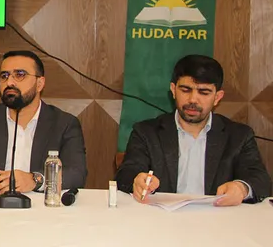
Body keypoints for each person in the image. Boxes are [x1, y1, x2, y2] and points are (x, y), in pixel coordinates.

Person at [116, 55, 271, 206]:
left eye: (204, 92)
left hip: (217, 218)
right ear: (173, 90)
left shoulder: (239, 136)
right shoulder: (146, 132)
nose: (193, 100)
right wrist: (137, 180)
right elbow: (126, 173)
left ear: (217, 97)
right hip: (162, 218)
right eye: (185, 90)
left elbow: (261, 180)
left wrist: (242, 188)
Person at [0, 50, 87, 193]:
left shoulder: (64, 124)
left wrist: (35, 180)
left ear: (39, 83)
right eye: (4, 76)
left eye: (19, 75)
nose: (9, 82)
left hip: (39, 204)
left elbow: (77, 174)